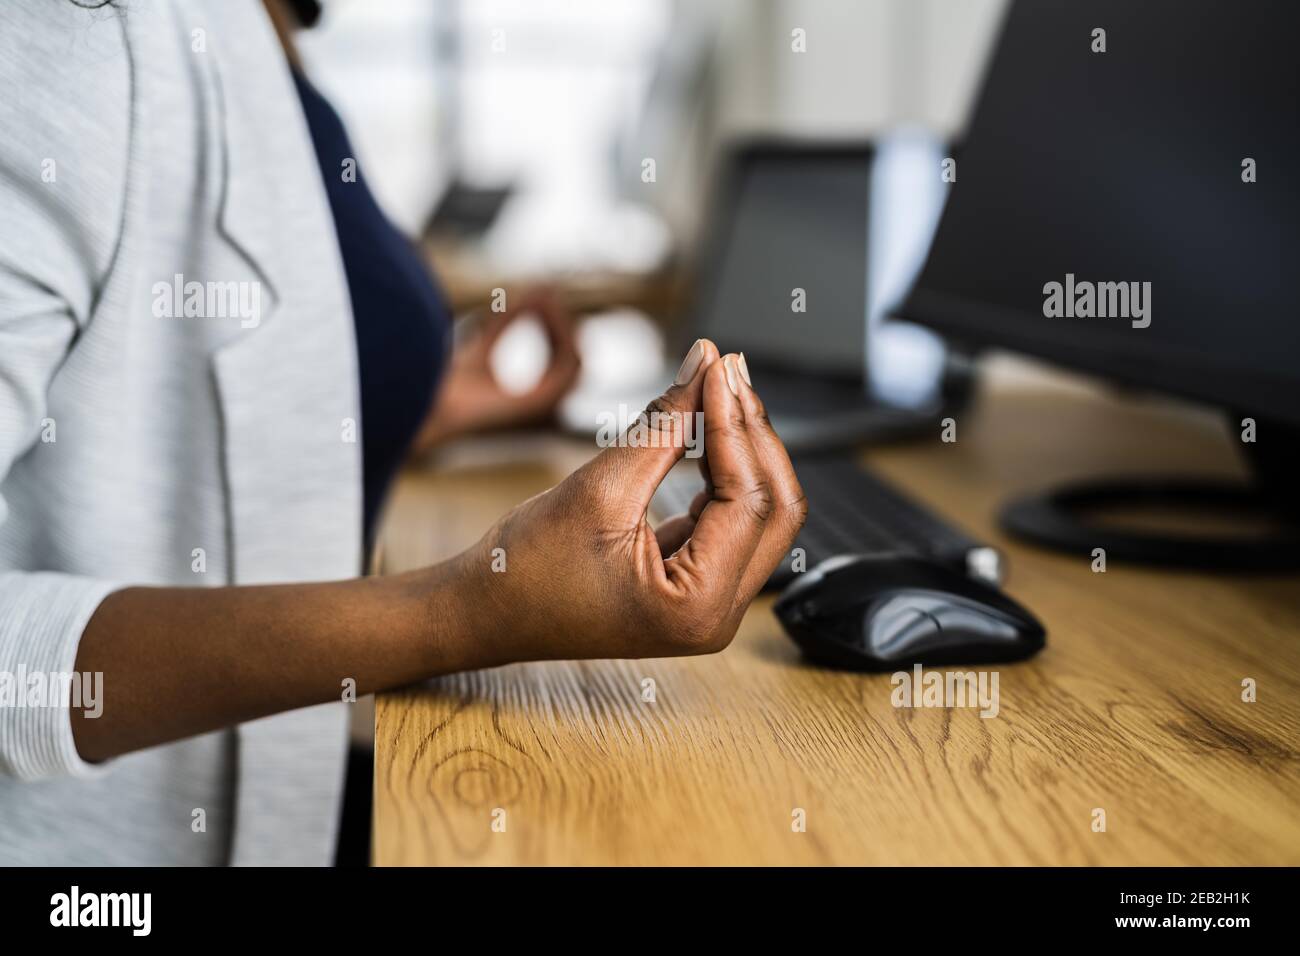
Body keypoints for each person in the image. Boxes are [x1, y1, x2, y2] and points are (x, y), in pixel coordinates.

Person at [0, 0, 806, 864]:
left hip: (285, 778)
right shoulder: (62, 34)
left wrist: (420, 410)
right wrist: (466, 612)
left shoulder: (273, 35)